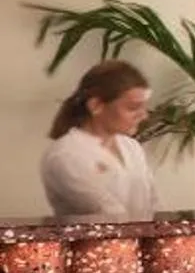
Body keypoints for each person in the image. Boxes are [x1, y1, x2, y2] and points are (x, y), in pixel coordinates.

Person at [42, 61, 157, 220]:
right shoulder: (65, 155)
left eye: (144, 107)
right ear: (96, 105)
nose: (144, 116)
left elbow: (153, 205)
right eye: (133, 108)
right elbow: (110, 214)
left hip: (141, 241)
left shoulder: (131, 146)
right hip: (95, 244)